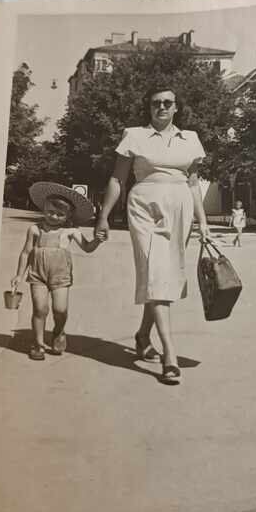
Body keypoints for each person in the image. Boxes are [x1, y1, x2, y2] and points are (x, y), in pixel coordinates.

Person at [94, 86, 209, 385]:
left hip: (181, 205)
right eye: (155, 103)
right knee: (155, 272)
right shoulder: (134, 135)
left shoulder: (191, 139)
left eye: (167, 103)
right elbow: (118, 178)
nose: (161, 107)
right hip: (144, 205)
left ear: (176, 108)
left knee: (163, 275)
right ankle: (170, 355)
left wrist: (203, 221)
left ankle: (143, 335)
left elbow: (194, 183)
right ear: (149, 107)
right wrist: (103, 216)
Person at [11, 182, 100, 361]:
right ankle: (38, 344)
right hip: (38, 275)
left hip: (60, 276)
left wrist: (98, 240)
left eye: (60, 214)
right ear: (44, 208)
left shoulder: (71, 231)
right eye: (50, 211)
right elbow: (26, 252)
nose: (54, 216)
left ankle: (58, 332)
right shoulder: (35, 229)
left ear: (68, 215)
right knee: (40, 309)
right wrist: (19, 275)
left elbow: (88, 248)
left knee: (60, 309)